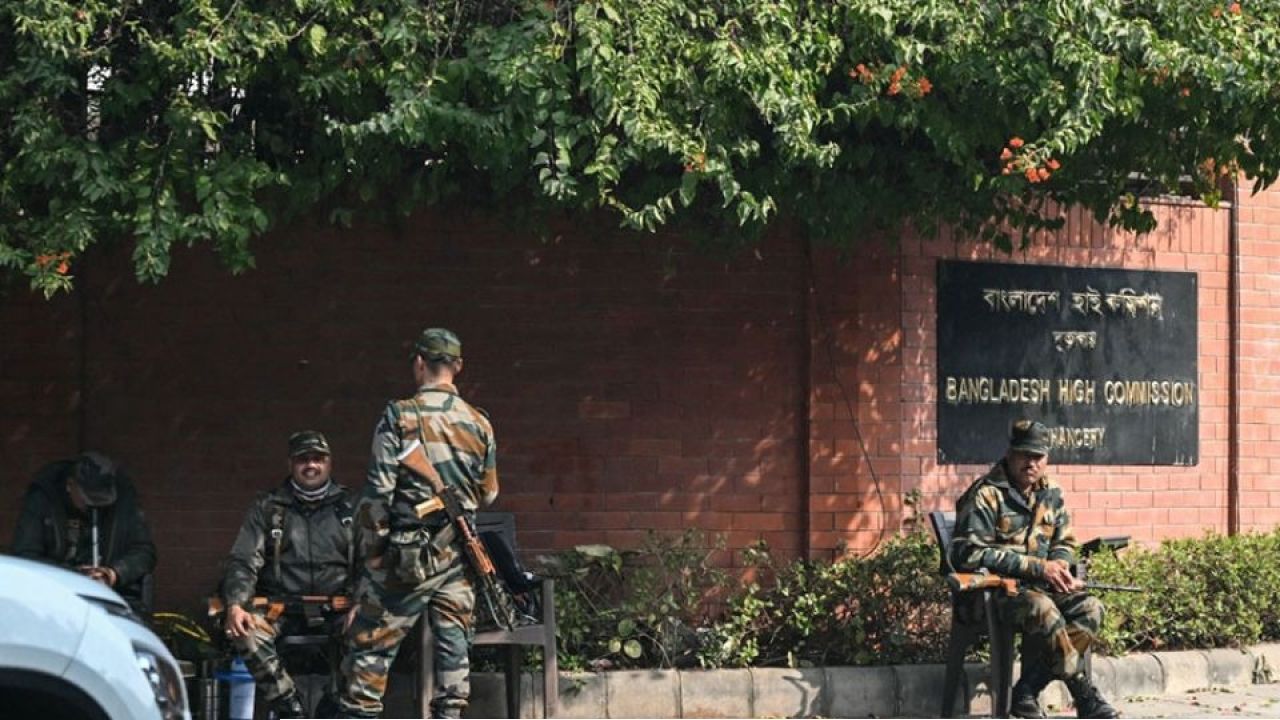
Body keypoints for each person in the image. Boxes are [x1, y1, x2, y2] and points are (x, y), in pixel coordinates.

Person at [338, 327, 499, 719]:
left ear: (419, 363)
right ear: (458, 366)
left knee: (370, 655)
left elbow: (378, 494)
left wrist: (373, 554)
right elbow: (489, 494)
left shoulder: (400, 415)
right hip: (457, 556)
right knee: (453, 656)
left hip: (405, 558)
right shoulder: (479, 422)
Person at [951, 419, 1118, 719]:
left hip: (1038, 589)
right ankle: (1083, 693)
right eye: (1024, 455)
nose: (1031, 463)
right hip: (993, 595)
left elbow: (1064, 542)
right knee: (1043, 608)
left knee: (1091, 608)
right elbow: (968, 553)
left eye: (1038, 456)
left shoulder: (1051, 492)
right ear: (1010, 454)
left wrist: (1061, 569)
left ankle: (1027, 689)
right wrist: (1038, 567)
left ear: (1047, 458)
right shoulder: (986, 494)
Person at [222, 430, 356, 719]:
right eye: (303, 459)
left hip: (339, 609)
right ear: (290, 464)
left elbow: (372, 563)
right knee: (245, 631)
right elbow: (244, 559)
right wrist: (236, 604)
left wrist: (361, 603)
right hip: (280, 609)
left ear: (329, 462)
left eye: (318, 459)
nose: (311, 465)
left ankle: (332, 706)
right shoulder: (268, 506)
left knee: (376, 630)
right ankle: (290, 708)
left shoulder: (351, 506)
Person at [11, 451, 157, 615]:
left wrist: (113, 573)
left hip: (111, 594)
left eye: (101, 501)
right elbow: (25, 555)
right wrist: (73, 574)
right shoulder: (44, 498)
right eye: (87, 499)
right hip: (55, 592)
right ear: (70, 485)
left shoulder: (123, 500)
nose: (95, 506)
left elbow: (144, 551)